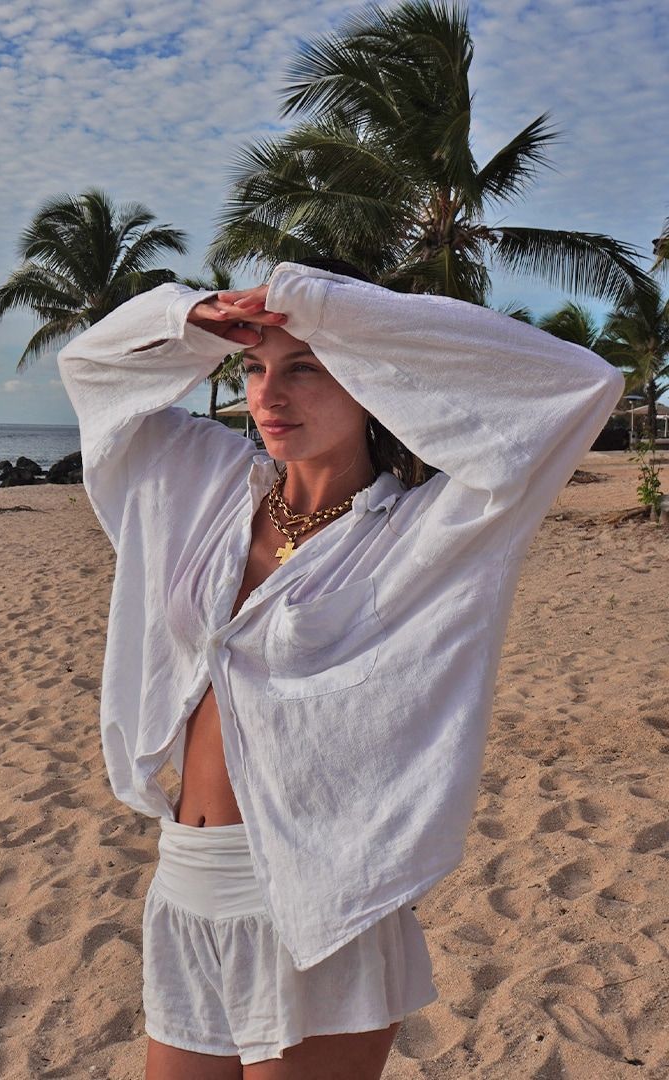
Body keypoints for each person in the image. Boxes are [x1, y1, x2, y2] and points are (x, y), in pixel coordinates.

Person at [57, 258, 624, 1078]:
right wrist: (190, 317)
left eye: (307, 369)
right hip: (185, 882)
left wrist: (326, 309)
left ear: (366, 377)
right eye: (254, 369)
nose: (268, 397)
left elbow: (576, 383)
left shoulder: (427, 536)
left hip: (319, 897)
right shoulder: (206, 489)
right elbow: (92, 371)